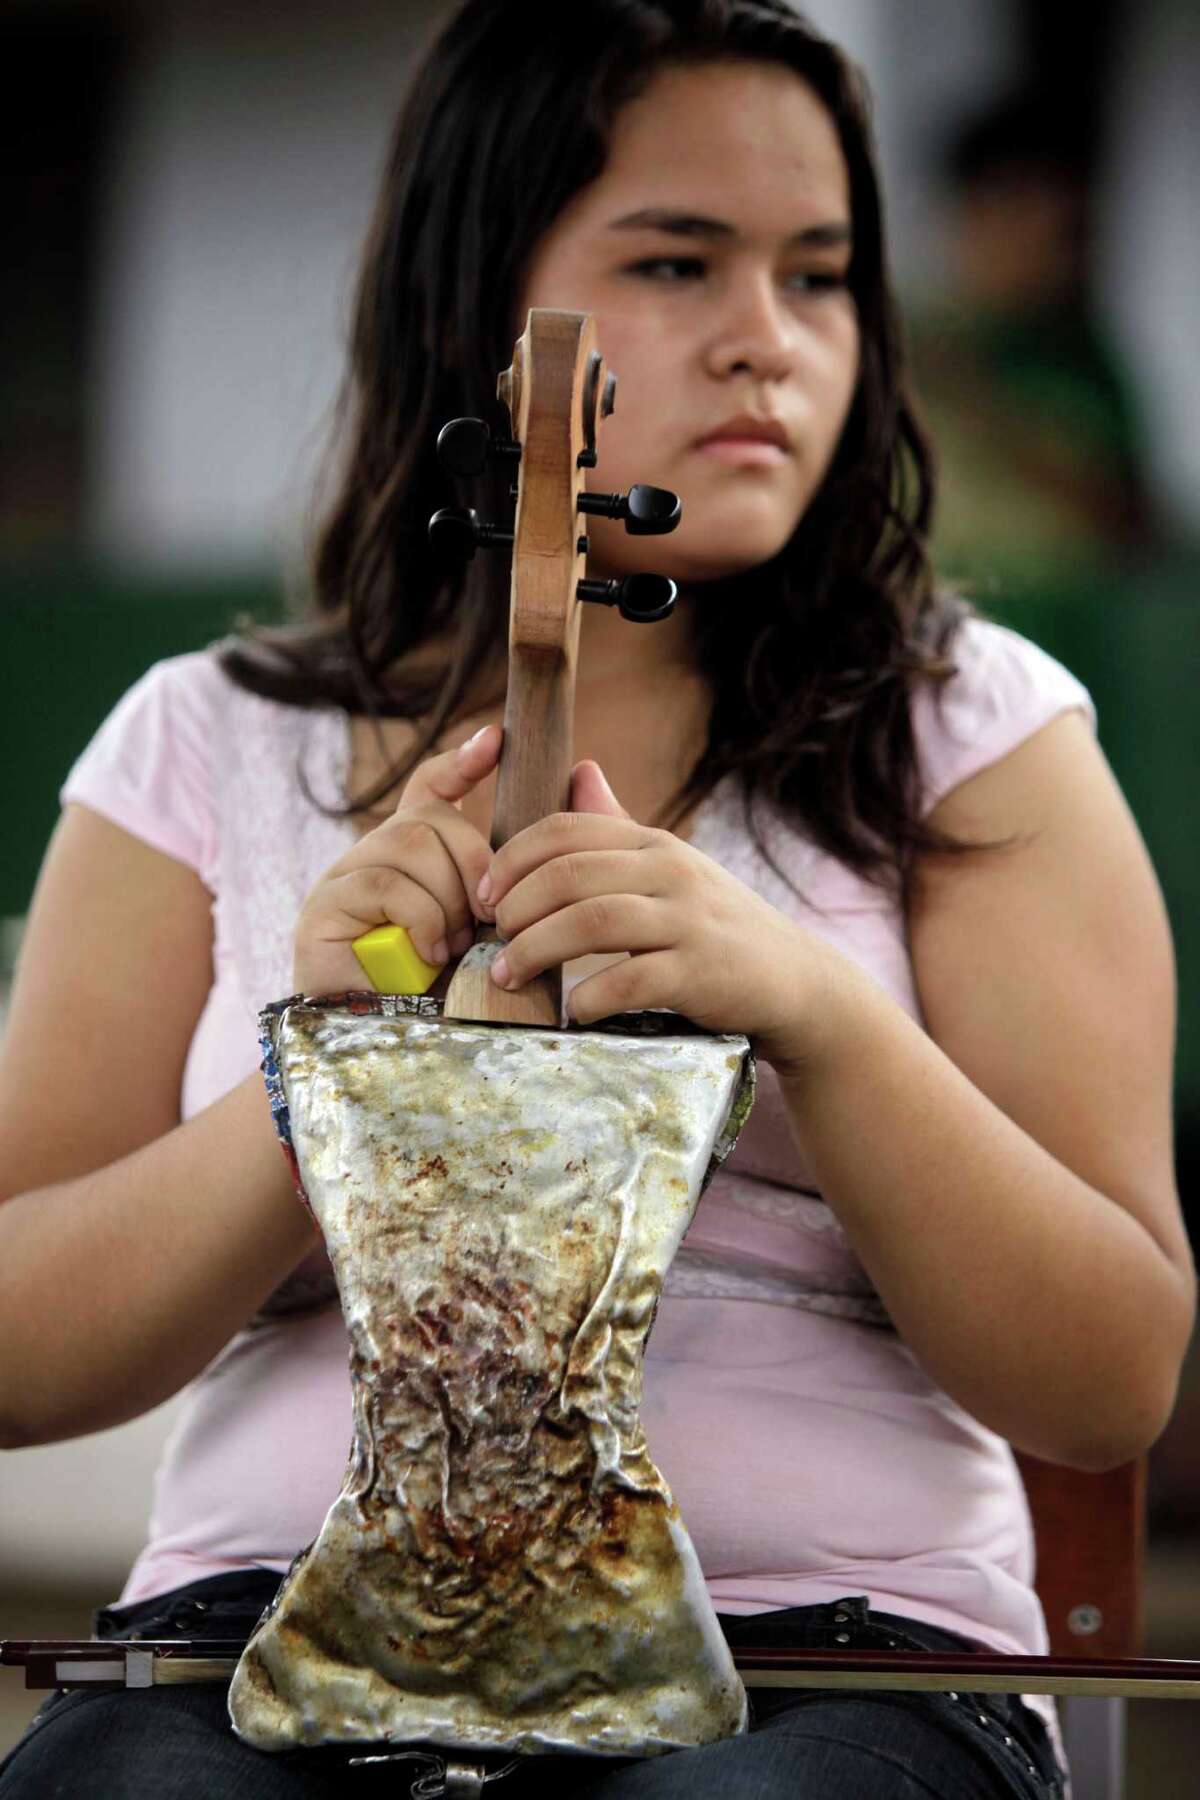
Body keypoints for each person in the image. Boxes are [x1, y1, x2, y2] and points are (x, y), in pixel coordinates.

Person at [0, 2, 1192, 1796]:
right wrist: (335, 1073)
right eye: (676, 261)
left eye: (820, 273)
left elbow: (1110, 1380)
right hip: (267, 1653)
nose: (767, 337)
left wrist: (817, 1019)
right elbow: (18, 1356)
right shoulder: (201, 739)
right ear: (479, 314)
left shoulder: (974, 735)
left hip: (827, 1668)